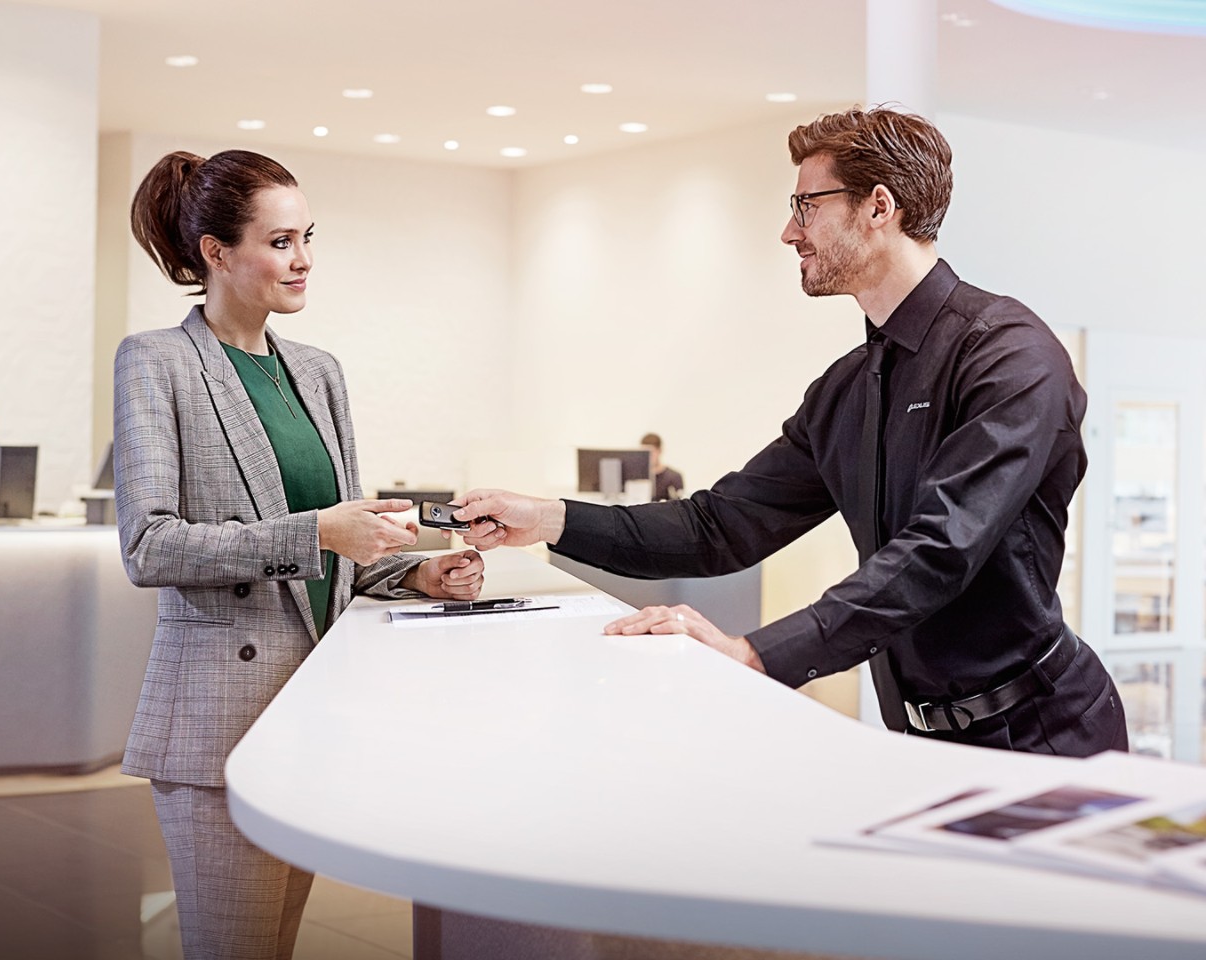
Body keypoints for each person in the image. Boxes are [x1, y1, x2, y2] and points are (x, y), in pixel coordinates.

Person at [453, 106, 1127, 759]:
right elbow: (718, 528)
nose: (788, 230)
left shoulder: (1011, 357)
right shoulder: (848, 388)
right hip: (917, 738)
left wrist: (758, 653)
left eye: (808, 205)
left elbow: (941, 549)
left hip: (1043, 736)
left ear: (879, 207)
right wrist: (548, 519)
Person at [115, 148, 485, 960]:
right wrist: (317, 532)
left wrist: (416, 569)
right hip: (218, 721)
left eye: (308, 236)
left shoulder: (317, 372)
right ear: (215, 252)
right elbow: (149, 544)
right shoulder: (157, 362)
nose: (304, 258)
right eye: (280, 241)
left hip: (309, 713)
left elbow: (341, 547)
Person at [641, 432, 684, 500]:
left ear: (659, 451)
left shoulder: (673, 477)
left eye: (651, 453)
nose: (647, 457)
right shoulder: (639, 477)